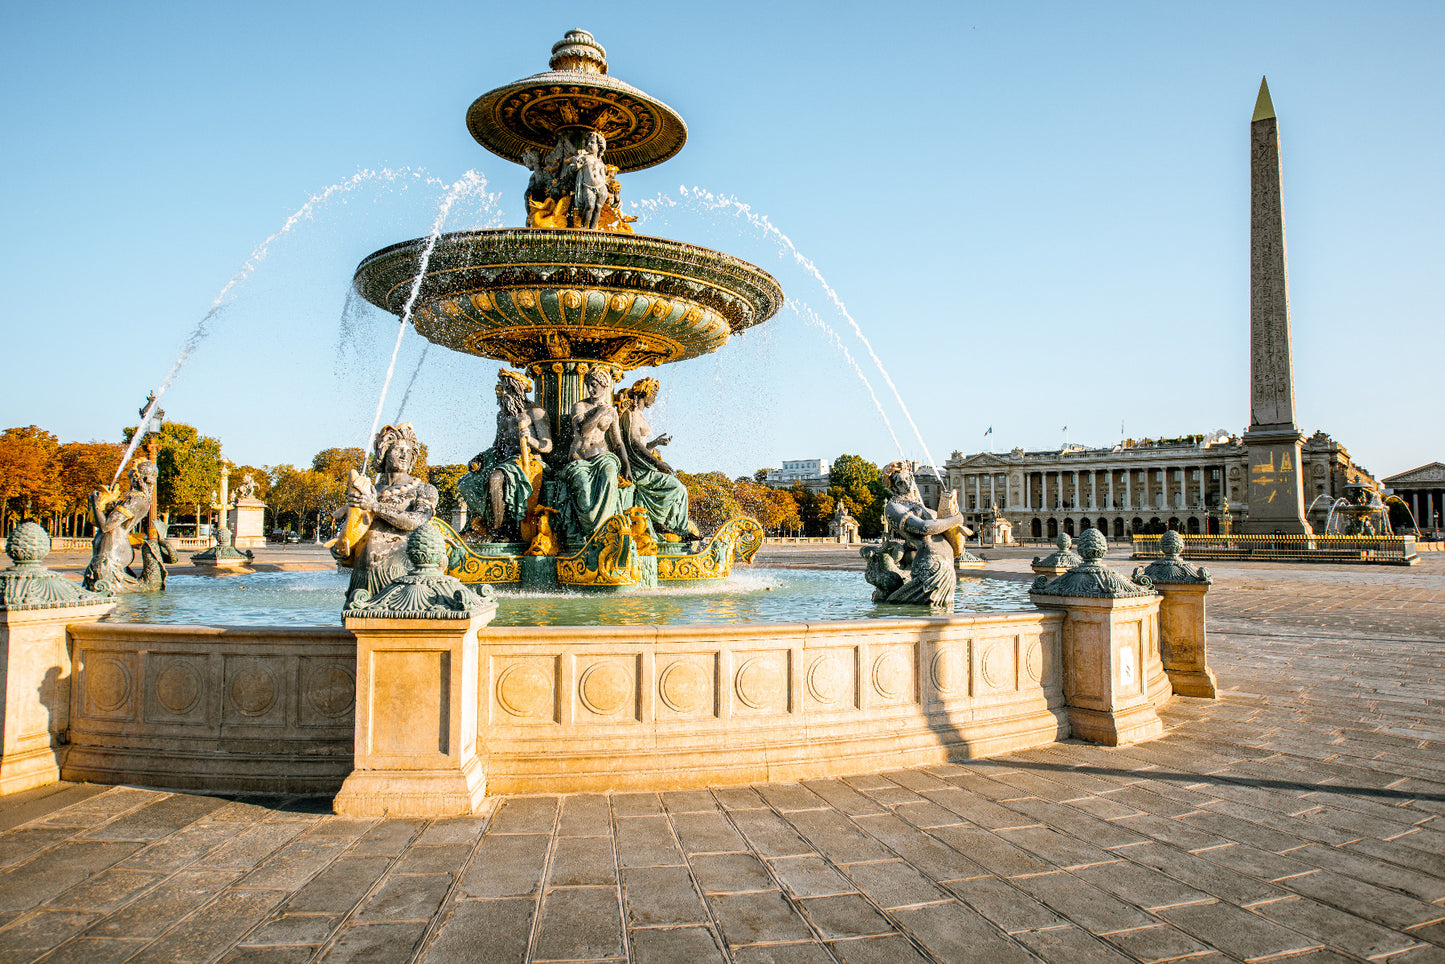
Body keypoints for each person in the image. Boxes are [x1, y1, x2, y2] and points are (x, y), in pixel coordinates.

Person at [339, 423, 437, 603]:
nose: (404, 455)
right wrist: (340, 550)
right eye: (398, 450)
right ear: (383, 453)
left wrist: (375, 507)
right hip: (362, 576)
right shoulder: (368, 490)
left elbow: (417, 521)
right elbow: (350, 530)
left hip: (399, 574)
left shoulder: (423, 490)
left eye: (409, 452)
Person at [458, 370, 553, 542]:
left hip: (528, 462)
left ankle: (500, 531)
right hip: (503, 460)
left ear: (515, 390)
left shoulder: (535, 412)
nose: (499, 392)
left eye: (502, 388)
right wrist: (480, 457)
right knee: (466, 483)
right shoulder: (501, 415)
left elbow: (547, 447)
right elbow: (497, 445)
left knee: (495, 478)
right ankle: (481, 523)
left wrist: (529, 439)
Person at [879, 460, 970, 609]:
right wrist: (955, 519)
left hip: (946, 566)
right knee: (929, 614)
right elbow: (925, 527)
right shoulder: (893, 507)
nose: (907, 484)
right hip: (931, 566)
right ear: (894, 485)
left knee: (942, 615)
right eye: (901, 481)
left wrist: (950, 509)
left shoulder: (917, 505)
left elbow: (941, 524)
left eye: (909, 478)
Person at [557, 365, 632, 543]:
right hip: (580, 459)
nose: (590, 389)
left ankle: (605, 531)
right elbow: (582, 431)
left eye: (594, 385)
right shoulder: (579, 407)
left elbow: (618, 442)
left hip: (602, 457)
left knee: (609, 473)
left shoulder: (612, 412)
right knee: (582, 486)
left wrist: (627, 466)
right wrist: (600, 411)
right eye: (588, 385)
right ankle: (590, 530)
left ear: (604, 385)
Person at [616, 377, 696, 541]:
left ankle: (669, 525)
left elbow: (638, 444)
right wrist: (658, 463)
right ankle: (668, 525)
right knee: (678, 488)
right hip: (639, 470)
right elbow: (633, 444)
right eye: (654, 393)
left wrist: (655, 443)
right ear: (646, 393)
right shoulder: (633, 415)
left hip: (642, 465)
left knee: (676, 486)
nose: (655, 398)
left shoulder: (637, 415)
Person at [82, 459, 162, 593]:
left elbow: (106, 526)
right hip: (109, 550)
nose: (130, 477)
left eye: (132, 475)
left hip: (112, 552)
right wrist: (105, 501)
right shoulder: (132, 498)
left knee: (107, 594)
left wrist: (95, 502)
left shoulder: (136, 500)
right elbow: (97, 521)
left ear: (140, 478)